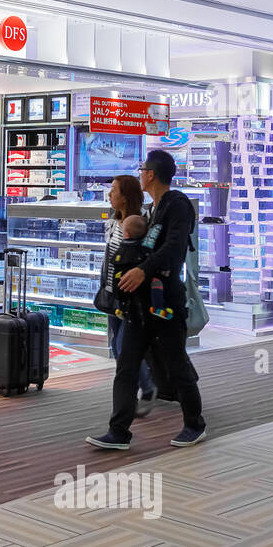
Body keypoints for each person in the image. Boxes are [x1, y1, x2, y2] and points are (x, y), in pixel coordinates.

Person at [87, 149, 206, 450]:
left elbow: (174, 249)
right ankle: (119, 432)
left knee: (176, 365)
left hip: (165, 304)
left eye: (142, 169)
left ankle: (195, 424)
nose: (140, 173)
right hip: (140, 306)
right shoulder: (153, 210)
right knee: (126, 366)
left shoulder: (177, 206)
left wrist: (142, 270)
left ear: (151, 174)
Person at [95, 175, 156, 417]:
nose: (110, 195)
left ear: (125, 196)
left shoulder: (136, 224)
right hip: (112, 292)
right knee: (117, 346)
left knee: (123, 346)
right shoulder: (112, 220)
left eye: (114, 190)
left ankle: (145, 387)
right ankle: (138, 389)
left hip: (128, 295)